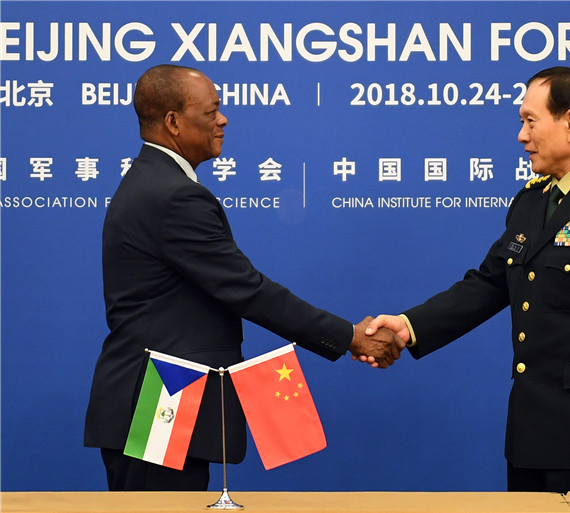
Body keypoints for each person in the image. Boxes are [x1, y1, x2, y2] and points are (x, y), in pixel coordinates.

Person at [84, 64, 404, 491]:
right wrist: (350, 336)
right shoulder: (173, 195)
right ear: (173, 122)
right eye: (211, 111)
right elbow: (248, 290)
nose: (223, 119)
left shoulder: (154, 182)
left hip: (164, 403)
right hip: (159, 405)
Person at [365, 66, 570, 493]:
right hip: (529, 434)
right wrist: (409, 326)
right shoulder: (532, 201)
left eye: (530, 121)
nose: (521, 136)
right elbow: (489, 284)